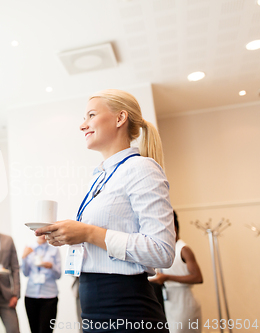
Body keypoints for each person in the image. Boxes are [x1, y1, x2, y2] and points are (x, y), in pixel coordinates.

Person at [36, 89, 176, 333]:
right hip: (92, 302)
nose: (83, 125)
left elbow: (162, 252)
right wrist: (68, 235)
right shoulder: (100, 177)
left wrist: (89, 233)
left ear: (120, 118)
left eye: (91, 115)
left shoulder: (141, 168)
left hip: (125, 307)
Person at [152, 211, 203, 333]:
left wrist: (167, 277)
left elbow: (198, 278)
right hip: (170, 302)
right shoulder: (166, 250)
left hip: (184, 302)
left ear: (173, 228)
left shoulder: (183, 249)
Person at [21, 235, 61, 333]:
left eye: (45, 232)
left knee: (46, 330)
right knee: (34, 330)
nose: (42, 235)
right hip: (31, 295)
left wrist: (51, 266)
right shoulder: (29, 248)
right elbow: (25, 273)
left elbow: (58, 275)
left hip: (49, 296)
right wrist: (23, 257)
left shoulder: (54, 250)